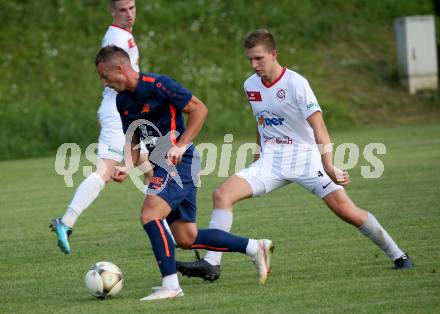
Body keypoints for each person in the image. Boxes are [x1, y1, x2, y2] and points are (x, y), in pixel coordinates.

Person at [176, 29, 413, 281]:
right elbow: (262, 122)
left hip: (306, 160)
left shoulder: (296, 83)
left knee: (347, 211)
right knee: (222, 195)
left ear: (274, 54)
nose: (254, 65)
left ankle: (398, 255)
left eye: (259, 58)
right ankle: (212, 264)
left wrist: (329, 165)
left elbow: (319, 126)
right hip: (271, 162)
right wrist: (257, 158)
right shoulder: (250, 85)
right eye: (250, 60)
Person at [95, 45, 274, 301]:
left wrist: (181, 144)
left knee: (149, 214)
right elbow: (134, 140)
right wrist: (127, 165)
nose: (104, 83)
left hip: (179, 163)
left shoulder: (158, 85)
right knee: (186, 237)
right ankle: (255, 247)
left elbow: (199, 109)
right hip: (162, 165)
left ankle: (171, 286)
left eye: (105, 76)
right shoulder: (122, 100)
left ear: (120, 69)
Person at [50, 0, 152, 254]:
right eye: (123, 10)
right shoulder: (117, 36)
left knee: (151, 171)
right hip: (119, 110)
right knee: (106, 171)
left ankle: (170, 231)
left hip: (119, 108)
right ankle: (66, 222)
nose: (129, 14)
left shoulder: (121, 35)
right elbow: (112, 77)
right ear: (112, 11)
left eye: (132, 8)